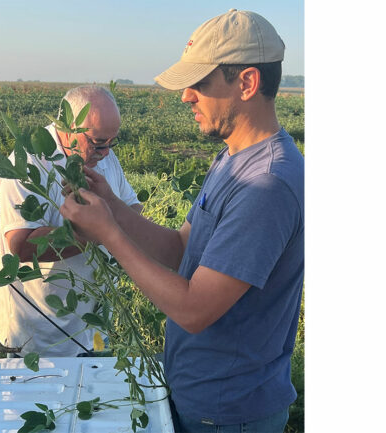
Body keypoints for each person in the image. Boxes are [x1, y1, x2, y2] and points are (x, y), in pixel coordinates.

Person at [60, 10, 303, 433]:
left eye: (201, 83)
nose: (186, 96)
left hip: (230, 412)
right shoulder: (231, 158)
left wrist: (109, 234)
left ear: (247, 83)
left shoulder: (267, 186)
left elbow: (193, 309)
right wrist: (111, 204)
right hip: (204, 395)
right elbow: (179, 248)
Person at [0, 85, 143, 357]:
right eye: (98, 143)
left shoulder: (102, 157)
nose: (106, 152)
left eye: (112, 142)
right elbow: (21, 246)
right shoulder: (27, 165)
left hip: (93, 325)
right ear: (68, 128)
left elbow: (132, 205)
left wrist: (115, 221)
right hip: (37, 333)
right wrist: (97, 233)